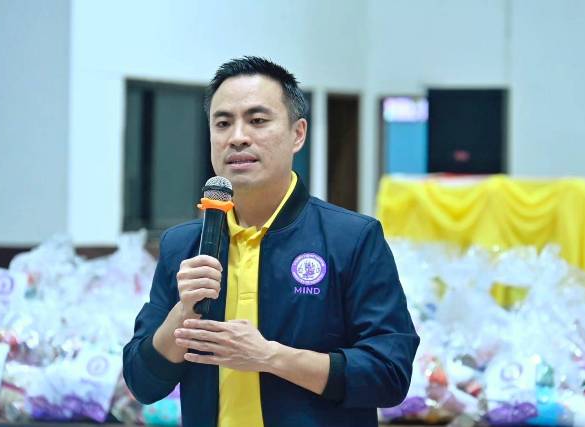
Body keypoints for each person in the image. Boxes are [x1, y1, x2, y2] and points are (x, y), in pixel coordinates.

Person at [123, 56, 419, 427]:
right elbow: (142, 382)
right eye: (223, 123)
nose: (237, 137)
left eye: (258, 120)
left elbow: (390, 374)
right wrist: (183, 314)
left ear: (298, 134)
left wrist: (270, 357)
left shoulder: (352, 238)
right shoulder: (183, 246)